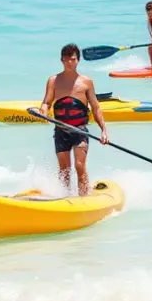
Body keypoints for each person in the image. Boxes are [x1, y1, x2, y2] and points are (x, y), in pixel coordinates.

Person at [39, 43, 109, 196]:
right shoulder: (53, 81)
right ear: (61, 61)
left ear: (78, 60)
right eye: (66, 60)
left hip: (80, 131)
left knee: (79, 165)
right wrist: (43, 111)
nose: (69, 63)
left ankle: (83, 197)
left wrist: (104, 131)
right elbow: (46, 102)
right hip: (61, 131)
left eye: (72, 59)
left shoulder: (86, 82)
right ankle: (65, 198)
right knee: (64, 168)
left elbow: (96, 108)